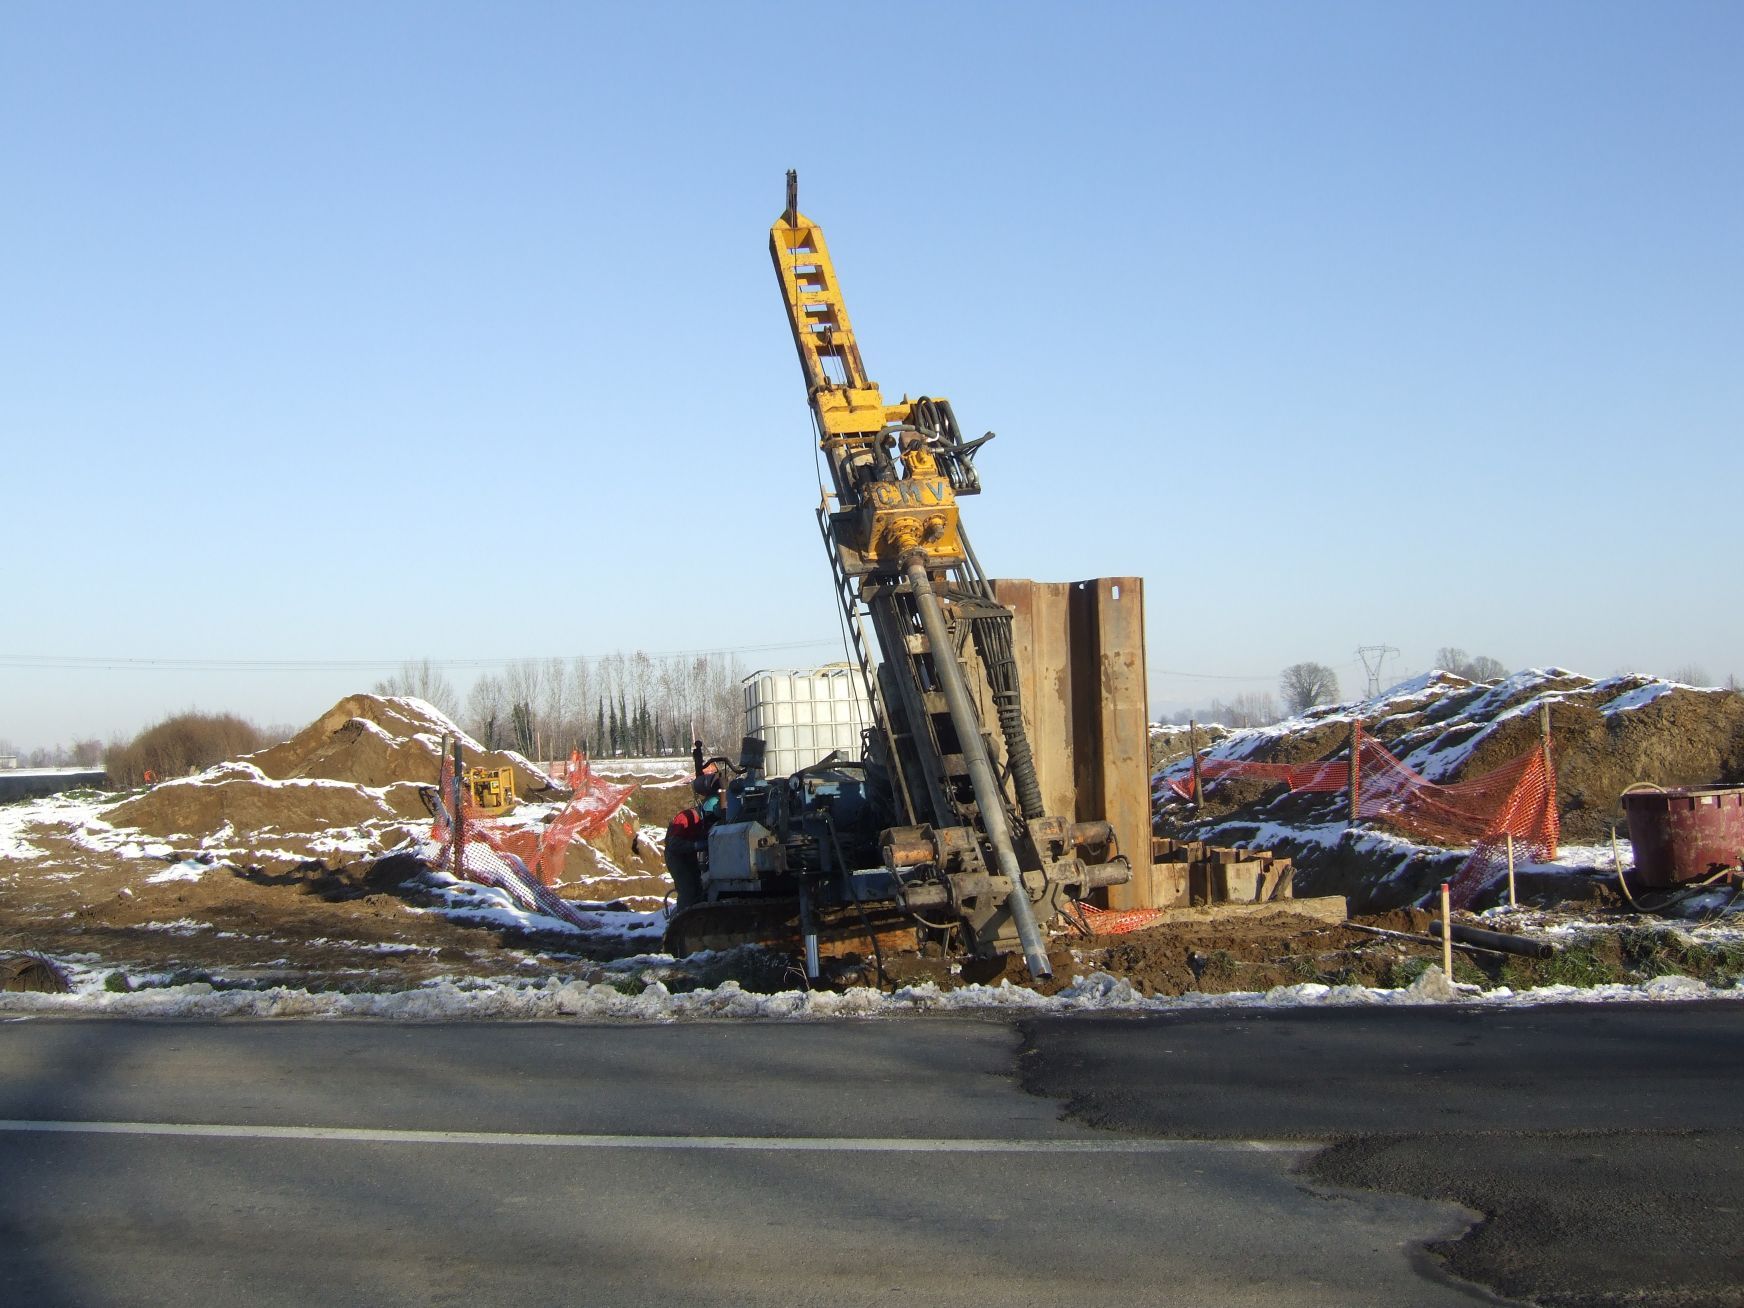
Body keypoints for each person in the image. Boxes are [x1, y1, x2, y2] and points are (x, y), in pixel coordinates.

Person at [664, 763, 723, 913]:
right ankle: (682, 917)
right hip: (676, 857)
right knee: (688, 890)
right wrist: (697, 845)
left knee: (698, 888)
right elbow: (673, 844)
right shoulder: (686, 818)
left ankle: (695, 915)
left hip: (689, 855)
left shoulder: (705, 823)